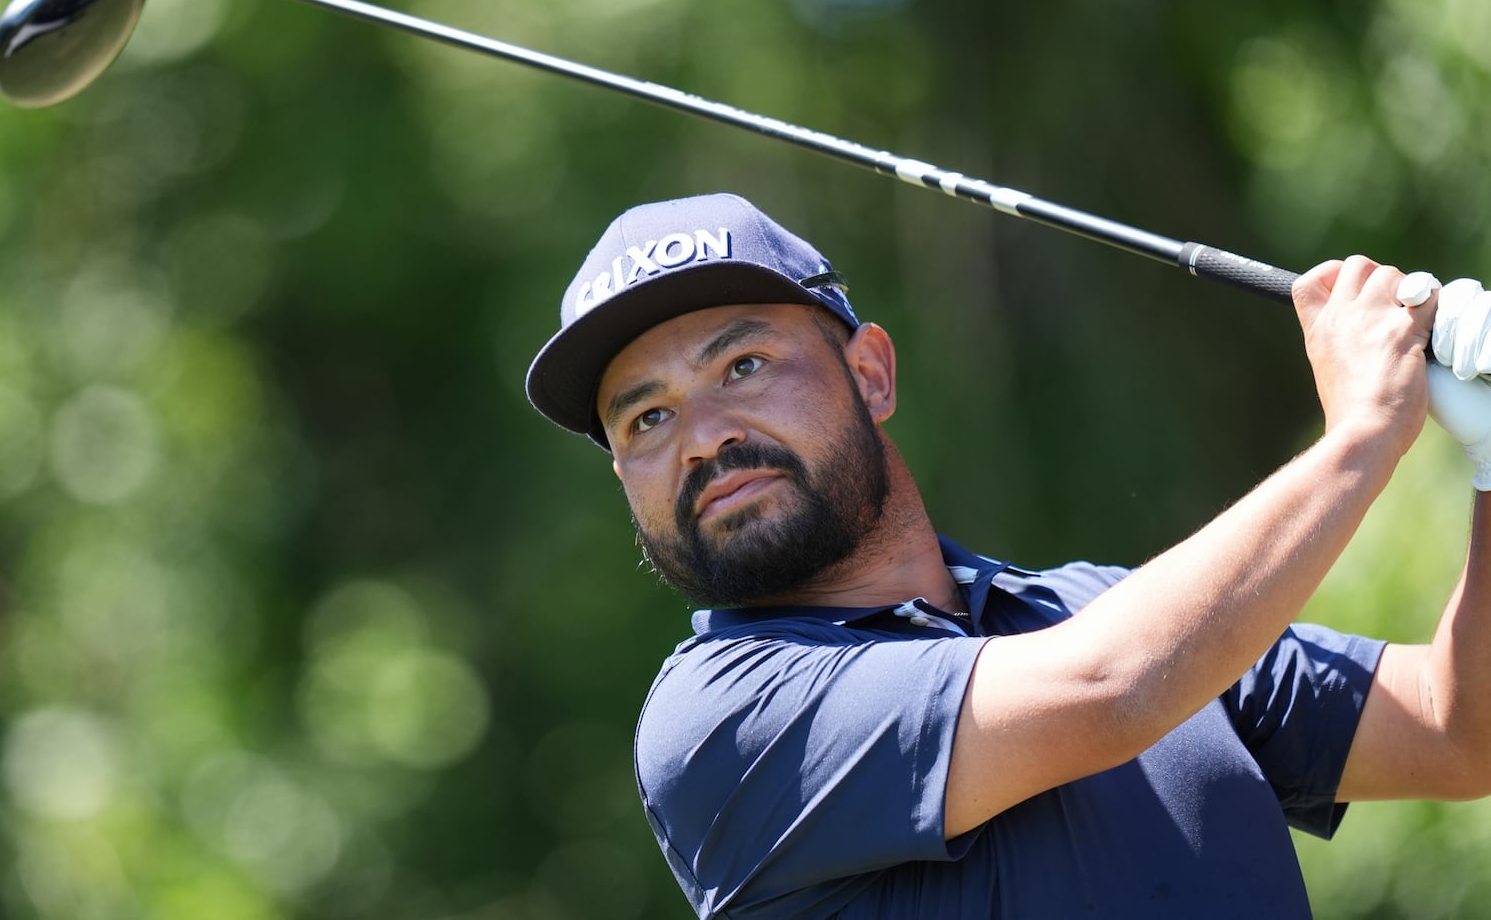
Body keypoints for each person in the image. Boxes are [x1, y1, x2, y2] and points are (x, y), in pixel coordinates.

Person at [523, 191, 1491, 918]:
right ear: (624, 476)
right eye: (646, 416)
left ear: (871, 372)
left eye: (741, 365)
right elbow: (1112, 687)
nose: (699, 436)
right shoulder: (716, 714)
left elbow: (1458, 727)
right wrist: (1362, 434)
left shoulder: (1100, 609)